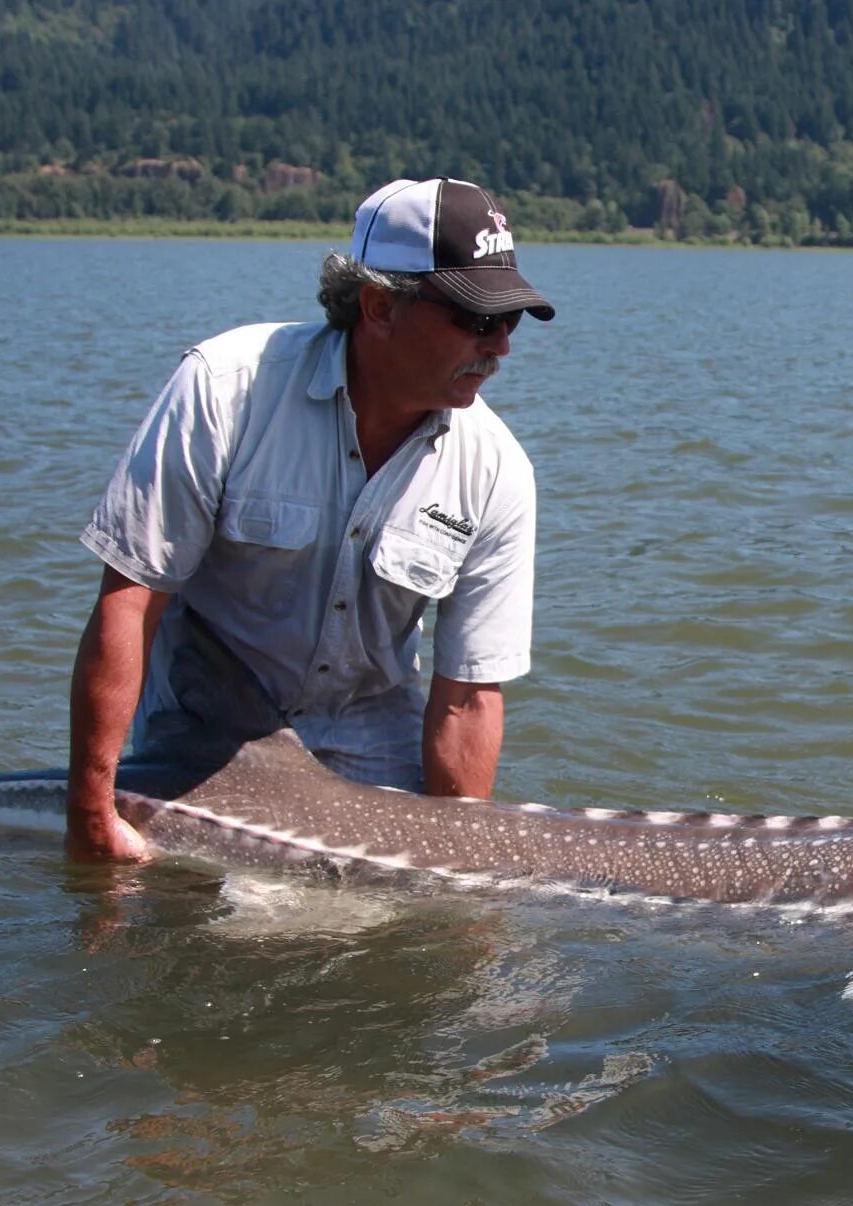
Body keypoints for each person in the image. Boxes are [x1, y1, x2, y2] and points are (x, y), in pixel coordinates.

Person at [65, 177, 555, 862]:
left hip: (372, 750)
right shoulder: (225, 388)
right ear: (379, 305)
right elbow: (131, 598)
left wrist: (457, 882)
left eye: (510, 320)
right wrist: (89, 811)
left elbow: (468, 697)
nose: (500, 346)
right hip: (205, 740)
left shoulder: (497, 469)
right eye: (476, 320)